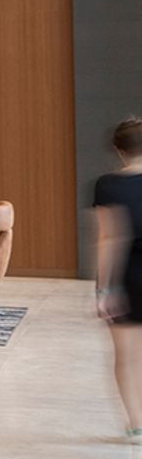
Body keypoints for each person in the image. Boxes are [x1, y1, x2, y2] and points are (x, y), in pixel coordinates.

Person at [94, 117, 142, 439]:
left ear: (118, 150)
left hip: (129, 278)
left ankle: (137, 424)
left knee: (127, 358)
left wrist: (104, 289)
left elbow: (109, 239)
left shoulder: (107, 185)